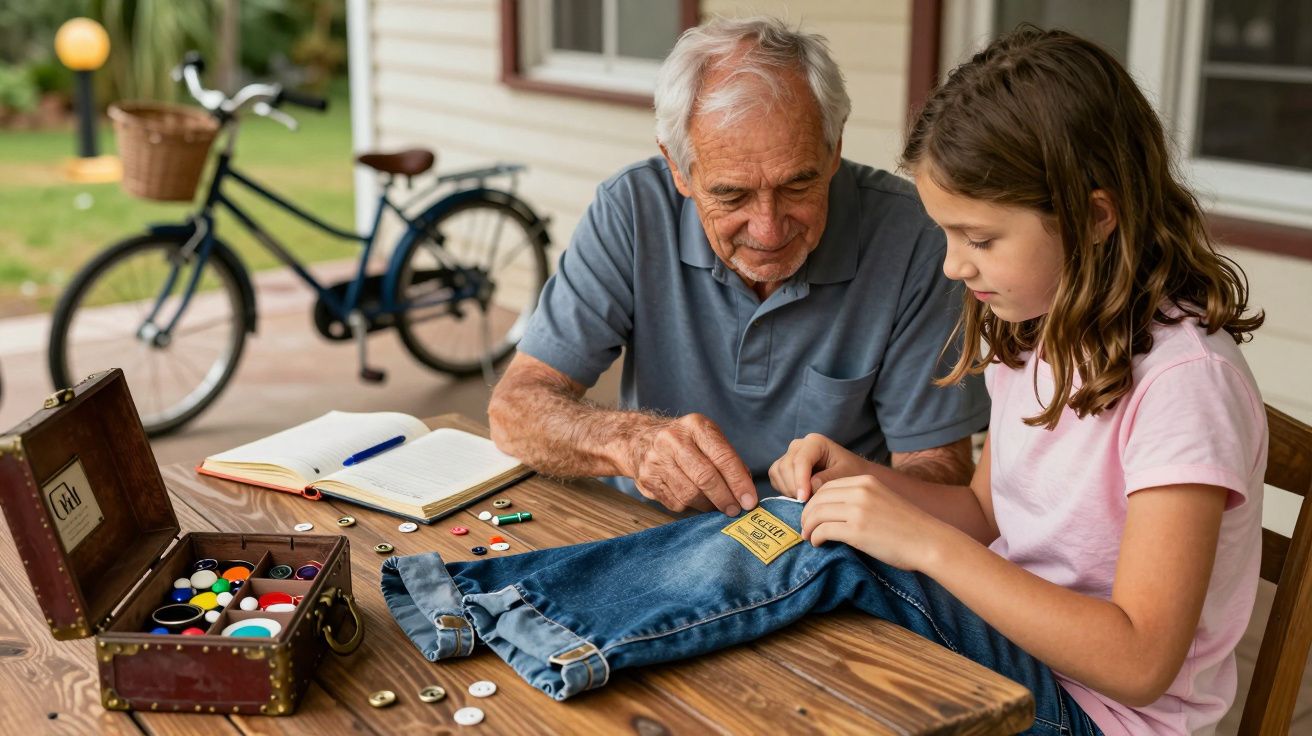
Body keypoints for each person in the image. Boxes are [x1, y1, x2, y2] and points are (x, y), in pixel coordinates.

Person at [770, 26, 1267, 736]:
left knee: (831, 583)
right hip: (1011, 659)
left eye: (980, 238)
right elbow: (989, 514)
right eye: (945, 234)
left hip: (1103, 716)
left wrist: (926, 546)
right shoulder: (1034, 329)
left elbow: (1140, 662)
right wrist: (866, 485)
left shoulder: (1185, 384)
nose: (952, 266)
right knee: (799, 561)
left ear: (1093, 217)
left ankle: (569, 634)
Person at [489, 17, 989, 518]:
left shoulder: (915, 235)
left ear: (834, 149)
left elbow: (938, 469)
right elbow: (515, 410)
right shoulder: (633, 211)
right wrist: (632, 441)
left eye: (797, 186)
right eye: (731, 194)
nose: (768, 230)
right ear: (678, 169)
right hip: (647, 527)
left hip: (827, 543)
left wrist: (854, 491)